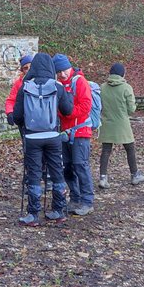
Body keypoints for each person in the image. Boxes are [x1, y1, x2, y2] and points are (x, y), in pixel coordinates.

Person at [12, 52, 72, 226]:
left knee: (34, 174)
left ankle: (33, 214)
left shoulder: (25, 87)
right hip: (53, 136)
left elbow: (16, 116)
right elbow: (67, 110)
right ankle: (58, 211)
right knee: (56, 172)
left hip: (32, 137)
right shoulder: (57, 86)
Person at [53, 53, 95, 216]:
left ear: (70, 67)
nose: (63, 74)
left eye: (65, 70)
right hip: (65, 132)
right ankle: (75, 197)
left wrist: (68, 112)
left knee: (80, 165)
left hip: (80, 131)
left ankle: (87, 201)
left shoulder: (80, 81)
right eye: (59, 71)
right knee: (68, 167)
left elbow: (86, 106)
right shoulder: (58, 86)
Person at [98, 63, 144, 188]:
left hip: (106, 122)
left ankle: (103, 178)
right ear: (122, 74)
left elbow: (99, 105)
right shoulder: (126, 88)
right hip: (122, 123)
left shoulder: (102, 87)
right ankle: (134, 175)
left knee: (106, 150)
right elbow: (131, 109)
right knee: (130, 148)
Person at [5, 54, 34, 126]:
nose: (29, 69)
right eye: (26, 68)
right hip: (24, 120)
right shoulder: (18, 84)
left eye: (31, 66)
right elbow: (11, 100)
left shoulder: (42, 81)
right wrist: (10, 113)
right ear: (22, 70)